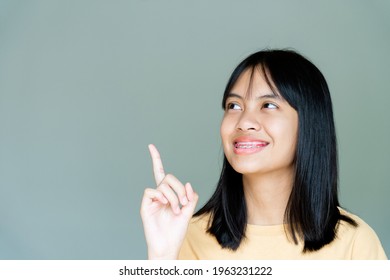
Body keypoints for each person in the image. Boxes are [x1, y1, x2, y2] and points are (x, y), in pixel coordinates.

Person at [140, 49, 387, 260]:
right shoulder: (185, 237)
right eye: (234, 106)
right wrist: (162, 260)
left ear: (310, 124)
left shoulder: (355, 245)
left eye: (268, 105)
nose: (244, 122)